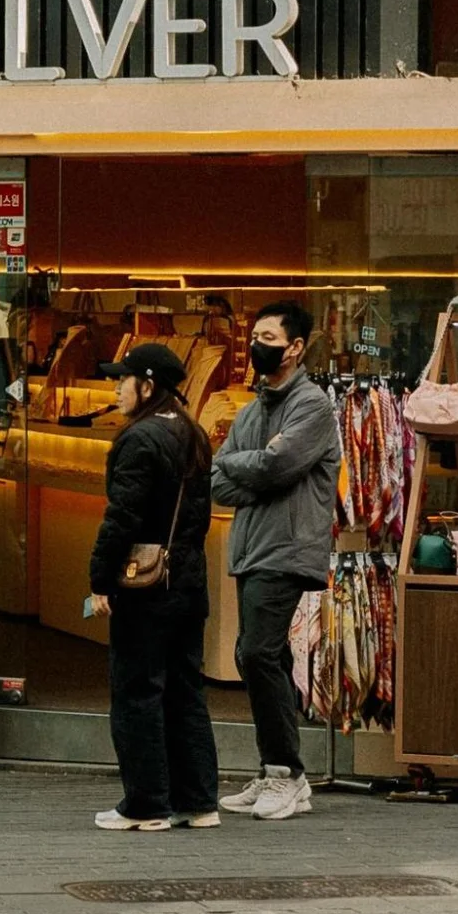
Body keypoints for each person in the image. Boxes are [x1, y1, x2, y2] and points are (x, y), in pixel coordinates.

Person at [211, 300, 337, 822]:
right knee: (265, 657)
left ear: (295, 347)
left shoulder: (313, 406)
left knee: (256, 654)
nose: (258, 344)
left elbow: (278, 464)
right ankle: (281, 772)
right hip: (251, 548)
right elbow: (218, 481)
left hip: (286, 551)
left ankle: (283, 772)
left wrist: (250, 466)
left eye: (267, 336)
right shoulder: (252, 408)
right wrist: (253, 469)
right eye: (255, 335)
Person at [87, 343, 220, 832]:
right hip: (187, 580)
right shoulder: (193, 433)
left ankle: (146, 803)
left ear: (148, 385)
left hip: (146, 585)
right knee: (185, 691)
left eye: (123, 380)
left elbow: (122, 517)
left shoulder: (139, 440)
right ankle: (198, 799)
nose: (117, 388)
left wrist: (101, 577)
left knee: (137, 690)